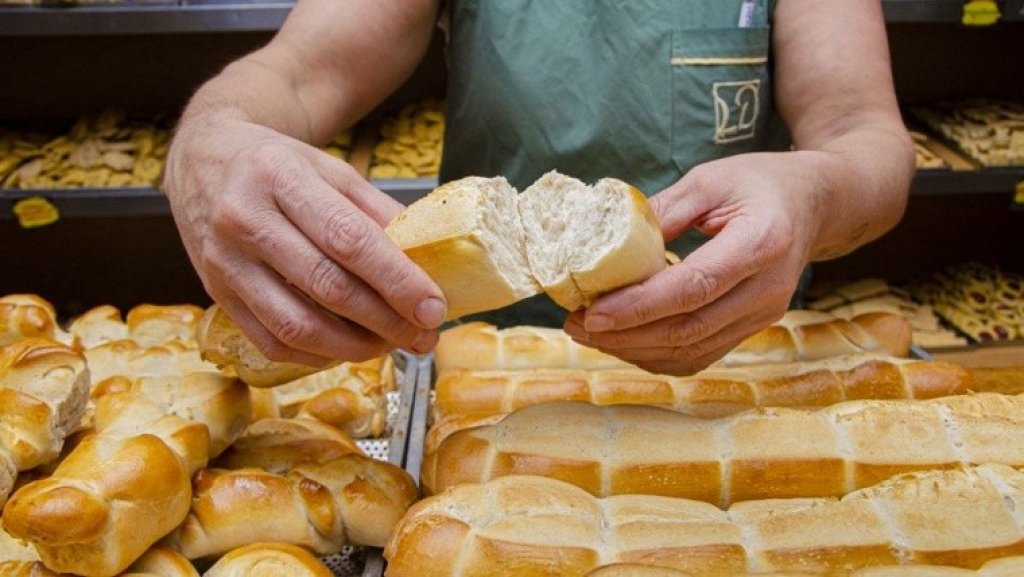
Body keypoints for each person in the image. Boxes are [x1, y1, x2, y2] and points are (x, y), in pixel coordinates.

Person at [163, 0, 914, 376]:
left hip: (739, 355)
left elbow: (866, 137)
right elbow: (293, 73)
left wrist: (818, 194)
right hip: (481, 369)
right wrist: (211, 135)